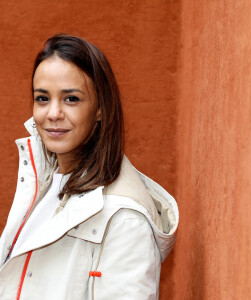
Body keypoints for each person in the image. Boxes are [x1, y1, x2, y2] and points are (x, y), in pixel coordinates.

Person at [0, 34, 178, 299]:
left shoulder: (125, 218)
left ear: (100, 109)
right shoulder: (43, 182)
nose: (53, 113)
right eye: (42, 98)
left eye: (71, 99)